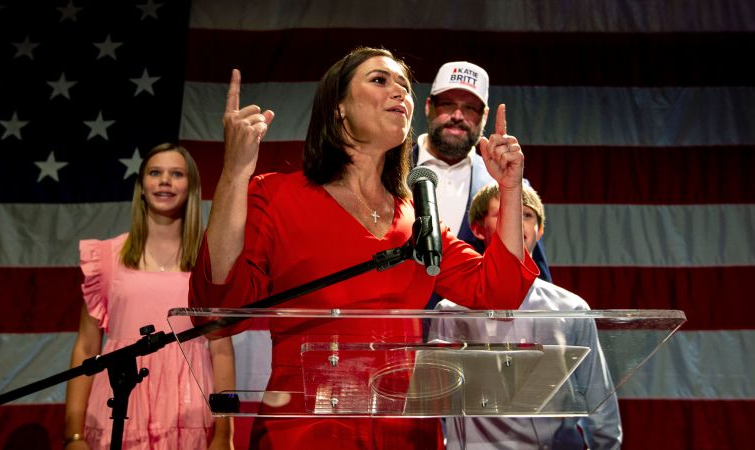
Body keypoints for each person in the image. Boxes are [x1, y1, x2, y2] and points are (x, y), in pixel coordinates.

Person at [188, 47, 540, 450]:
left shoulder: (416, 217)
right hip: (304, 434)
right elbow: (217, 312)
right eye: (380, 81)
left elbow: (499, 291)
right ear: (338, 108)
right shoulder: (276, 196)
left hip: (405, 434)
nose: (400, 94)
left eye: (405, 87)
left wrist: (511, 188)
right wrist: (234, 171)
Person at [64, 143, 236, 450]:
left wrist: (225, 434)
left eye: (176, 174)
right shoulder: (106, 258)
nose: (164, 181)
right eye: (155, 173)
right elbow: (86, 347)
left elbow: (222, 352)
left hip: (188, 411)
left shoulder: (208, 263)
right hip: (118, 407)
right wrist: (73, 434)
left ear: (191, 187)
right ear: (142, 186)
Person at [431, 182, 623, 449]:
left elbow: (598, 397)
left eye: (526, 215)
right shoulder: (450, 313)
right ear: (477, 228)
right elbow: (436, 405)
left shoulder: (572, 309)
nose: (516, 223)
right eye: (503, 214)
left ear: (540, 229)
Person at [412, 61, 552, 289]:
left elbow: (534, 286)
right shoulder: (387, 172)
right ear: (429, 106)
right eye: (447, 104)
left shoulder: (508, 185)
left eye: (470, 108)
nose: (457, 115)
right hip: (399, 322)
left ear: (484, 116)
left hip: (475, 323)